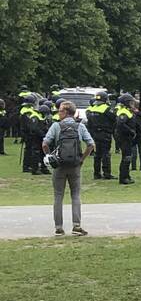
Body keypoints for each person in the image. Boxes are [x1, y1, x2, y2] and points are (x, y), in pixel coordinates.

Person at [42, 101, 95, 236]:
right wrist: (82, 159)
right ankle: (76, 225)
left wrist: (50, 156)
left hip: (59, 165)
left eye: (60, 111)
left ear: (66, 112)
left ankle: (59, 227)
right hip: (75, 165)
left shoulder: (56, 126)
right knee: (75, 195)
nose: (58, 113)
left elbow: (45, 144)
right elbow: (90, 144)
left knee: (58, 196)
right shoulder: (80, 126)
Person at [85, 91, 116, 180]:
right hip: (105, 133)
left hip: (95, 134)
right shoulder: (107, 109)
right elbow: (114, 119)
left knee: (97, 154)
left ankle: (96, 173)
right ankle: (106, 173)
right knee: (106, 154)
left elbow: (89, 123)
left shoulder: (91, 109)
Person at [112, 94, 136, 185]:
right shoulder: (123, 112)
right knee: (126, 157)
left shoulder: (127, 111)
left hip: (126, 137)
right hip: (123, 138)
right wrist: (131, 131)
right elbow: (121, 124)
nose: (132, 104)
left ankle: (127, 175)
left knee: (127, 157)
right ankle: (123, 178)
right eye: (131, 102)